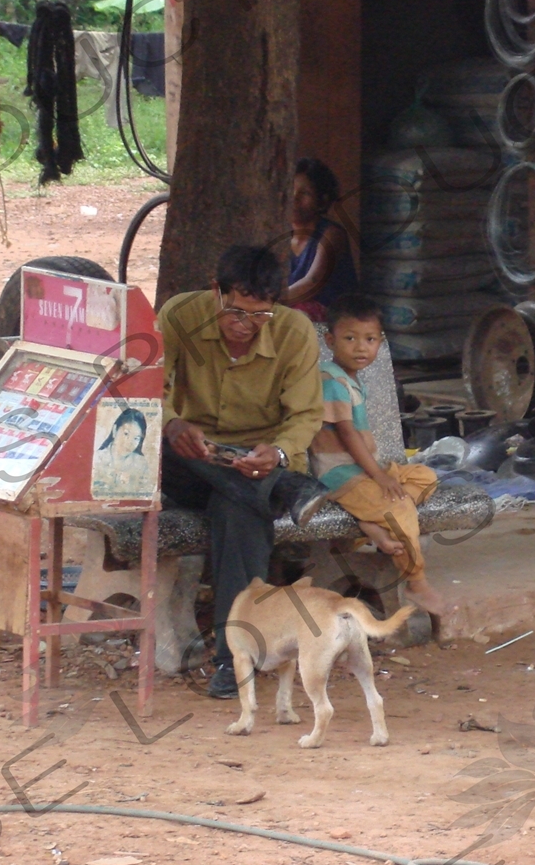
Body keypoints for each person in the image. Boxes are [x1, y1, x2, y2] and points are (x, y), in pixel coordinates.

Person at [158, 243, 329, 696]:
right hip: (185, 461)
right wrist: (172, 422)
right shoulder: (179, 316)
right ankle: (286, 488)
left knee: (238, 511)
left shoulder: (295, 332)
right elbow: (144, 389)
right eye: (235, 312)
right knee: (180, 452)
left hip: (255, 466)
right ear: (215, 291)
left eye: (259, 316)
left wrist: (276, 453)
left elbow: (306, 415)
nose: (244, 326)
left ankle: (234, 660)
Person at [308, 294, 453, 637]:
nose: (361, 347)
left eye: (370, 339)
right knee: (400, 509)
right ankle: (416, 582)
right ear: (330, 341)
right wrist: (377, 475)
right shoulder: (332, 379)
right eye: (350, 338)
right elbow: (346, 435)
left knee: (424, 476)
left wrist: (382, 475)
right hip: (341, 474)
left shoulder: (350, 377)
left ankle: (371, 521)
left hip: (365, 470)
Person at [284, 157, 360, 322]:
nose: (294, 199)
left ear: (322, 201)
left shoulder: (331, 234)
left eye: (304, 193)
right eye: (291, 190)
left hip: (337, 317)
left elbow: (312, 283)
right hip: (290, 306)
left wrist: (269, 301)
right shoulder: (281, 235)